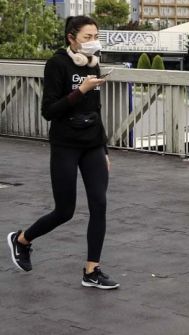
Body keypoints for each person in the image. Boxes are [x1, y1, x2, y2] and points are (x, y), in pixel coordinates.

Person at [6, 16, 119, 290]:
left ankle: (92, 270)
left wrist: (104, 148)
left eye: (95, 36)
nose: (93, 42)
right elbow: (49, 111)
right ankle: (22, 239)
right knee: (65, 210)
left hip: (92, 144)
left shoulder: (94, 64)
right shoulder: (57, 64)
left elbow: (96, 110)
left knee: (99, 205)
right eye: (87, 37)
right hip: (66, 145)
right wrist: (81, 89)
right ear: (71, 37)